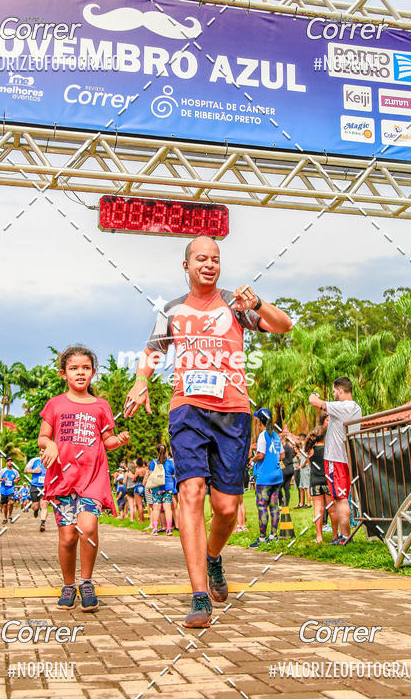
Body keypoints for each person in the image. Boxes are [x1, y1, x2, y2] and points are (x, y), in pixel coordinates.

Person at [124, 234, 292, 628]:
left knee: (227, 508)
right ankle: (199, 595)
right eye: (201, 258)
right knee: (191, 491)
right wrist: (140, 380)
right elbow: (152, 352)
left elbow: (284, 326)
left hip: (232, 411)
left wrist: (259, 303)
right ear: (186, 266)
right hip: (187, 409)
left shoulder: (237, 303)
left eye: (215, 258)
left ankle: (213, 557)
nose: (209, 264)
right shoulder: (172, 309)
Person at [38, 344, 129, 612]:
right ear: (63, 373)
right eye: (74, 368)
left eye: (86, 368)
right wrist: (50, 445)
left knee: (87, 528)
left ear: (92, 373)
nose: (80, 373)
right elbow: (43, 437)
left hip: (93, 478)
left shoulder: (101, 406)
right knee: (67, 537)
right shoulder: (55, 404)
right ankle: (68, 585)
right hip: (62, 479)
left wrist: (119, 440)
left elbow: (107, 440)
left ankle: (86, 582)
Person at [309, 378, 362, 545]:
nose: (333, 395)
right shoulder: (356, 408)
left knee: (340, 498)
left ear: (340, 390)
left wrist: (314, 394)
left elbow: (314, 401)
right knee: (341, 497)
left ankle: (345, 536)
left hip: (335, 458)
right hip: (345, 458)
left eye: (334, 391)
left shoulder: (343, 407)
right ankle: (343, 534)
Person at [249, 407, 283, 546]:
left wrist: (253, 460)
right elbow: (282, 455)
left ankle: (262, 538)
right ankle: (273, 535)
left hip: (265, 478)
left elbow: (261, 455)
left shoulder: (263, 435)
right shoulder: (275, 435)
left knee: (262, 507)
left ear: (260, 421)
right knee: (274, 506)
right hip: (277, 476)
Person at [304, 419, 329, 543]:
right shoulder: (328, 448)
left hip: (315, 481)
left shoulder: (310, 450)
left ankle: (319, 537)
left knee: (318, 509)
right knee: (332, 509)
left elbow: (310, 465)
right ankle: (335, 535)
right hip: (327, 480)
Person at [146, 444, 176, 535]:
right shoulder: (170, 463)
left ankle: (155, 529)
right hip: (168, 487)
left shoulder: (154, 462)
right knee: (168, 508)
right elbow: (173, 475)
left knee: (156, 508)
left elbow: (151, 475)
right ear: (166, 451)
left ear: (157, 452)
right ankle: (169, 529)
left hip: (157, 487)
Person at [0, 458, 20, 524]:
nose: (10, 462)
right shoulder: (2, 470)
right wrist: (2, 479)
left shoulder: (15, 471)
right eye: (8, 461)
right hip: (4, 490)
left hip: (11, 489)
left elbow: (18, 478)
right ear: (6, 463)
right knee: (4, 505)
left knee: (11, 503)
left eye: (11, 461)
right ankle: (5, 518)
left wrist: (17, 480)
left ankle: (10, 515)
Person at [25, 454, 47, 523]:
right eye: (42, 451)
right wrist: (34, 471)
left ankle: (43, 523)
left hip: (45, 486)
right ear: (40, 452)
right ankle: (36, 510)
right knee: (35, 506)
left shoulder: (50, 460)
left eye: (45, 451)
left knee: (44, 505)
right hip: (35, 486)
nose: (43, 453)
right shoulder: (34, 460)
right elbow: (25, 470)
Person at [280, 427, 295, 508]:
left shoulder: (284, 448)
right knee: (286, 488)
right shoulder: (291, 449)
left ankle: (282, 503)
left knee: (279, 487)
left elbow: (280, 457)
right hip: (291, 468)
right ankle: (287, 504)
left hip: (285, 469)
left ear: (283, 440)